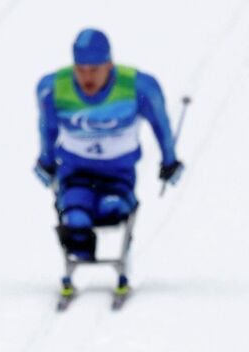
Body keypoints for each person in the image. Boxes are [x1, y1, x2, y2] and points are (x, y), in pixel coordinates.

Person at [34, 28, 184, 262]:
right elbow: (48, 128)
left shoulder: (137, 87)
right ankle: (79, 254)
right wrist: (45, 161)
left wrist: (170, 160)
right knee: (76, 217)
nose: (87, 78)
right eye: (80, 70)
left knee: (110, 210)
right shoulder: (53, 89)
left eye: (94, 70)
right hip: (76, 172)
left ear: (109, 65)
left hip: (118, 174)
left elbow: (160, 123)